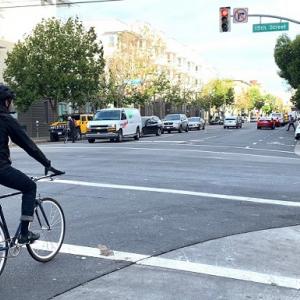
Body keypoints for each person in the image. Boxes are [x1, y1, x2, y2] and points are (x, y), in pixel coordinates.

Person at [0, 83, 64, 244]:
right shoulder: (6, 119)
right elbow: (28, 145)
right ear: (5, 102)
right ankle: (24, 234)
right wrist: (47, 164)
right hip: (1, 169)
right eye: (10, 101)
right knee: (29, 187)